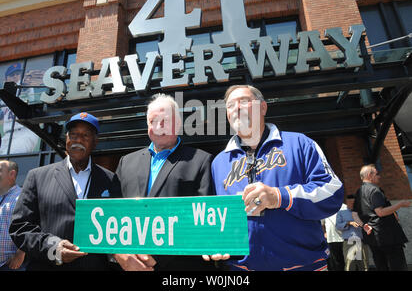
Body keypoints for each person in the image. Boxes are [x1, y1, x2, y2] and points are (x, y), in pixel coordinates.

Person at [208, 85, 344, 271]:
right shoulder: (219, 163)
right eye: (230, 105)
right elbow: (220, 217)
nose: (236, 108)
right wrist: (218, 242)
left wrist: (279, 197)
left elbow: (333, 193)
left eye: (245, 101)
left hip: (304, 266)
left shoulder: (300, 144)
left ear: (263, 107)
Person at [114, 93, 216, 271]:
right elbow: (112, 213)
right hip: (128, 266)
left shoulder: (201, 161)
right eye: (153, 121)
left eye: (165, 120)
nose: (159, 126)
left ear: (177, 124)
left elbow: (203, 219)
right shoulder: (126, 162)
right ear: (147, 125)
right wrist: (118, 253)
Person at [9, 112, 122, 270]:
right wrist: (53, 249)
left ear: (95, 142)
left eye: (85, 136)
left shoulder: (110, 180)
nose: (78, 140)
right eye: (73, 134)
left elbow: (117, 229)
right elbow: (20, 228)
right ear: (66, 138)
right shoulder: (37, 176)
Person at [353, 164, 410, 271]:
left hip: (372, 238)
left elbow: (354, 214)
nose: (379, 176)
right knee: (397, 266)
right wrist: (400, 204)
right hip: (388, 236)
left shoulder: (359, 192)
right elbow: (380, 212)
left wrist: (363, 225)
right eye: (377, 174)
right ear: (370, 175)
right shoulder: (375, 190)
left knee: (381, 266)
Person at [0, 63, 39, 155]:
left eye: (18, 74)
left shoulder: (24, 87)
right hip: (7, 136)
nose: (15, 76)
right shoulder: (4, 97)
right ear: (6, 79)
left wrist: (25, 80)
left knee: (7, 161)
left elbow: (23, 85)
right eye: (12, 75)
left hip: (25, 132)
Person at [0, 160, 25, 271]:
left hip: (11, 265)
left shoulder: (23, 197)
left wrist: (20, 253)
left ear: (12, 174)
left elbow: (33, 226)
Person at [336, 199, 369, 271]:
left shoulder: (362, 213)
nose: (351, 205)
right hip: (349, 242)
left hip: (361, 242)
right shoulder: (341, 213)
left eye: (353, 203)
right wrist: (349, 223)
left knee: (364, 265)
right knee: (349, 265)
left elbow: (368, 224)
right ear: (346, 203)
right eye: (349, 203)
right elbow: (338, 226)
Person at [322, 204, 345, 271]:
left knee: (342, 259)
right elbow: (322, 223)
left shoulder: (344, 207)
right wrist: (324, 233)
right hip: (330, 238)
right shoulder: (324, 208)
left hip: (342, 238)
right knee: (333, 260)